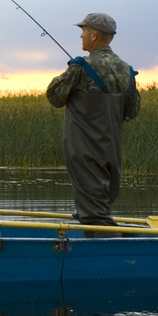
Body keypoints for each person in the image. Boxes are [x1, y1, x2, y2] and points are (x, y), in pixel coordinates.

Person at [46, 13, 140, 235]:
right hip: (112, 153)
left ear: (94, 35)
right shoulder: (127, 71)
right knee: (97, 207)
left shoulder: (80, 67)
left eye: (84, 31)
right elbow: (132, 111)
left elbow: (54, 97)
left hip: (84, 151)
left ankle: (111, 256)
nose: (81, 35)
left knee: (93, 215)